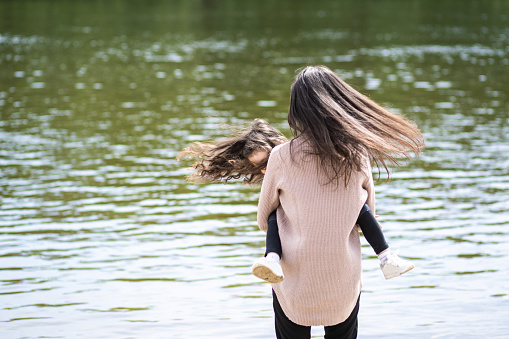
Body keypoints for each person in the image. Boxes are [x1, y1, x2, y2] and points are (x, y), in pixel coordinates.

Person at [256, 65, 424, 338]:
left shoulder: (280, 156)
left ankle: (271, 258)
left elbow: (264, 217)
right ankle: (387, 259)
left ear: (296, 109)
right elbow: (367, 211)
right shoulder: (358, 153)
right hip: (342, 278)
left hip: (294, 279)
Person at [178, 118, 414, 284]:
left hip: (332, 205)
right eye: (259, 168)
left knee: (359, 206)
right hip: (301, 221)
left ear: (278, 143)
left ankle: (386, 257)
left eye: (267, 160)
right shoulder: (276, 172)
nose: (265, 170)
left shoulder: (303, 153)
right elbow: (265, 219)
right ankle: (272, 259)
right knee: (274, 216)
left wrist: (366, 218)